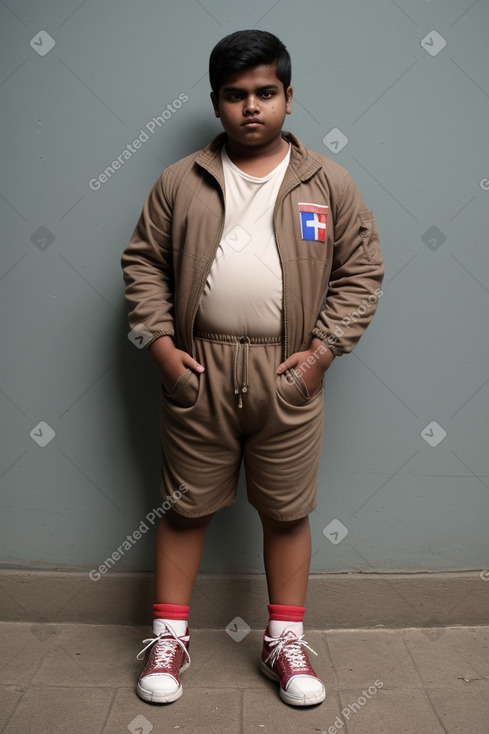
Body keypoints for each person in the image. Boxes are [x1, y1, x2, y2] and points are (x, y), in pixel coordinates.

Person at [122, 29, 384, 707]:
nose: (250, 108)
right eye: (234, 95)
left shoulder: (328, 184)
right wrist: (160, 350)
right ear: (215, 103)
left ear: (289, 98)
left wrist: (320, 355)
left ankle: (283, 641)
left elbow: (360, 274)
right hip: (198, 372)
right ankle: (169, 636)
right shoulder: (181, 181)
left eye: (265, 93)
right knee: (184, 509)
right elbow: (143, 264)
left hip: (287, 376)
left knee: (287, 512)